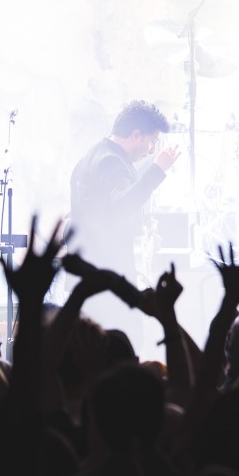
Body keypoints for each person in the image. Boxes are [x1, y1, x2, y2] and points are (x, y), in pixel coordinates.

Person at [69, 100, 179, 345]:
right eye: (152, 142)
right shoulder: (111, 161)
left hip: (92, 278)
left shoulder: (93, 155)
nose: (151, 151)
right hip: (107, 281)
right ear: (136, 135)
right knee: (121, 348)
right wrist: (158, 169)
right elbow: (122, 205)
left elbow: (104, 213)